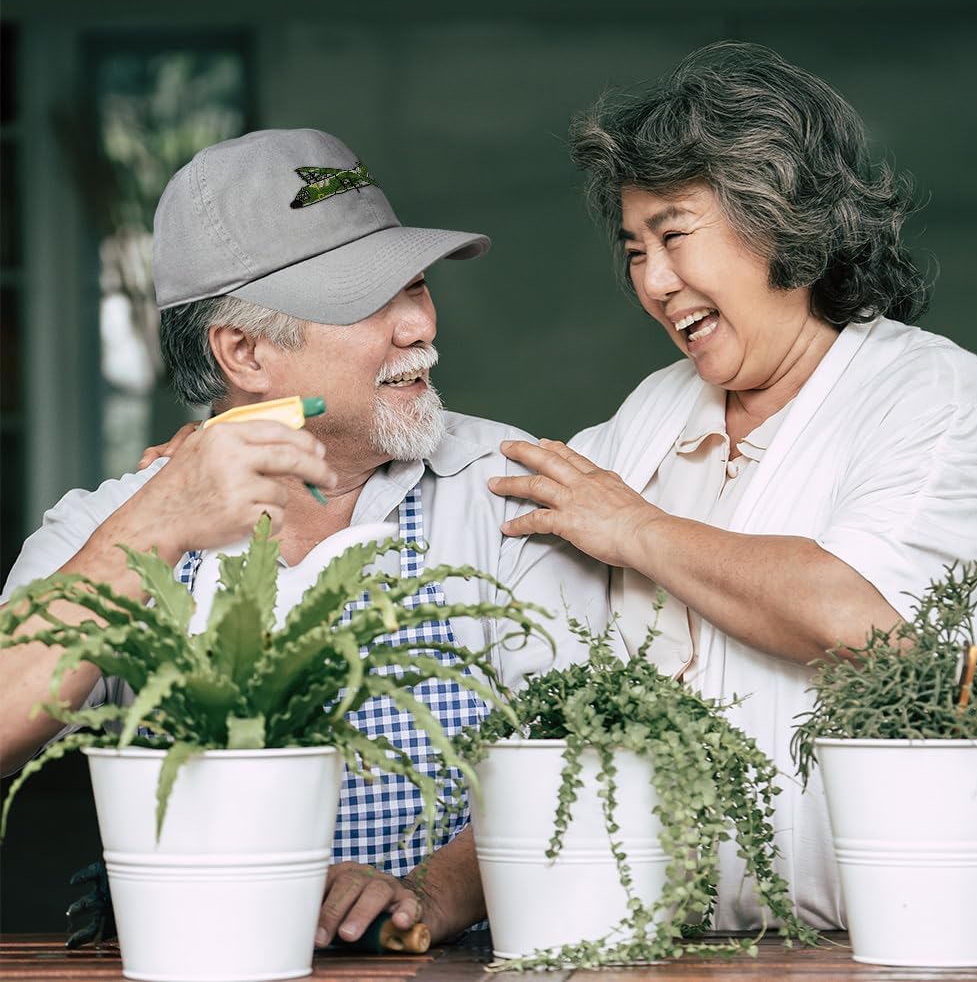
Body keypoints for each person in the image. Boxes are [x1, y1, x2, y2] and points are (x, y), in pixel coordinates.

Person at [0, 129, 611, 946]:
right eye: (368, 301)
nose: (418, 327)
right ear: (243, 352)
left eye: (418, 286)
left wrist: (430, 891)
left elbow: (588, 755)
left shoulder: (508, 489)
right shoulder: (109, 527)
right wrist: (156, 522)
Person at [486, 42, 977, 931]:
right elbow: (499, 520)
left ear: (780, 221)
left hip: (887, 943)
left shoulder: (932, 396)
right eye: (634, 248)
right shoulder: (648, 417)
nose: (651, 282)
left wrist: (637, 530)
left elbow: (871, 620)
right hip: (676, 947)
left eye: (674, 235)